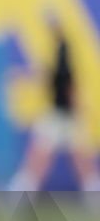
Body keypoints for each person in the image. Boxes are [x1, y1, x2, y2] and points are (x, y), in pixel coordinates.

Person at [9, 12, 100, 193]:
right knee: (47, 155)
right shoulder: (56, 50)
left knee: (75, 158)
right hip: (60, 113)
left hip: (65, 114)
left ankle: (21, 190)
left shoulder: (63, 50)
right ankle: (22, 189)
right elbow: (50, 78)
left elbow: (66, 83)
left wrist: (76, 106)